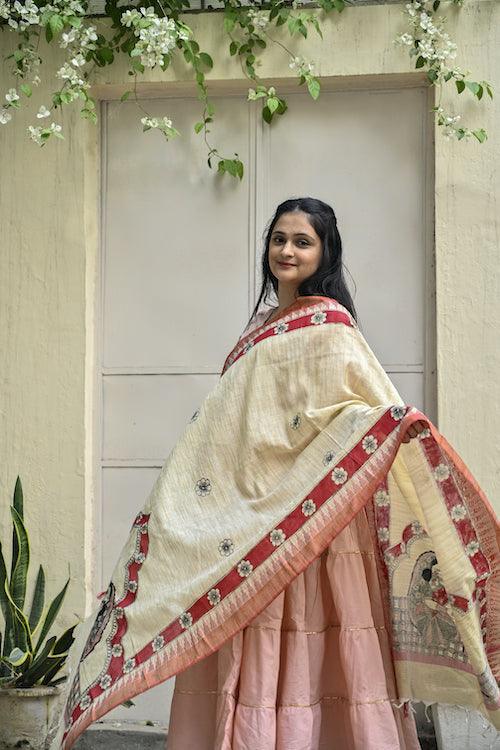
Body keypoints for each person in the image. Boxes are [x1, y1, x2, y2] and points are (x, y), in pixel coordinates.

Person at [51, 198, 500, 750]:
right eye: (279, 239)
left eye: (302, 241)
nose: (286, 251)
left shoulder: (331, 327)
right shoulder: (260, 329)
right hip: (245, 525)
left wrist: (392, 423)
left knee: (313, 647)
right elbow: (234, 422)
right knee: (247, 637)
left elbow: (360, 407)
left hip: (315, 530)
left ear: (325, 252)